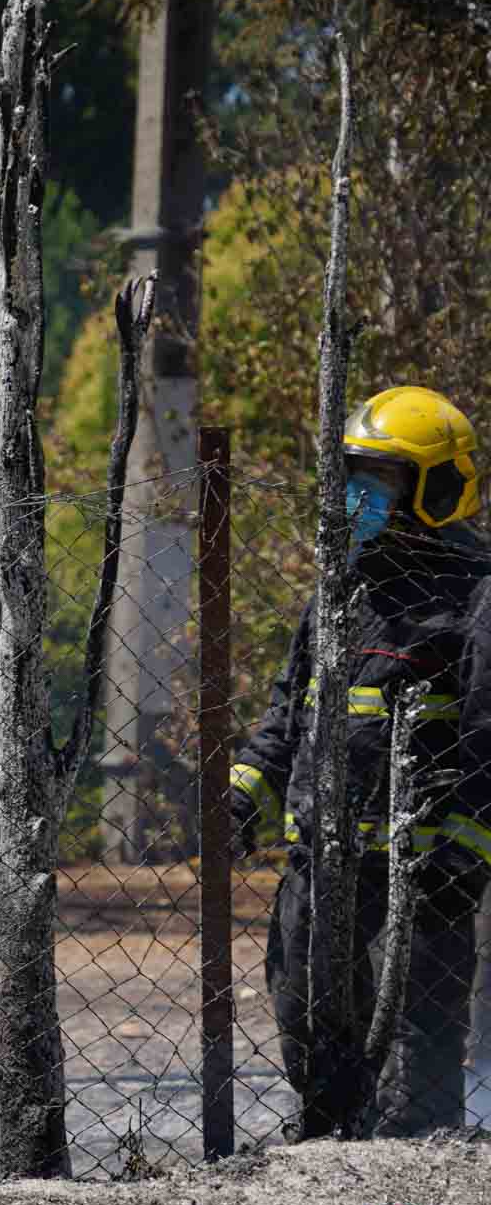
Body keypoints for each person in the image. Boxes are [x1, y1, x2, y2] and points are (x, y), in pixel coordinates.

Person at [228, 385, 491, 1139]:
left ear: (437, 488)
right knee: (311, 1045)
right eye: (353, 478)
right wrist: (243, 794)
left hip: (421, 889)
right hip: (321, 877)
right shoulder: (343, 589)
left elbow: (489, 747)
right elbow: (288, 715)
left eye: (378, 481)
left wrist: (459, 858)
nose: (358, 498)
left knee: (415, 1083)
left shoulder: (477, 595)